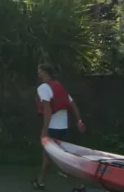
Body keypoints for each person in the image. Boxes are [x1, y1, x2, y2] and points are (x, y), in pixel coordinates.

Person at [32, 63, 86, 192]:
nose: (38, 74)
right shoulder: (59, 86)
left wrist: (45, 130)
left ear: (45, 73)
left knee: (56, 159)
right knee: (50, 157)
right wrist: (78, 120)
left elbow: (48, 110)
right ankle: (41, 182)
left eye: (39, 71)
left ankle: (78, 185)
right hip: (63, 127)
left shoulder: (43, 88)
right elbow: (72, 104)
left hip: (53, 128)